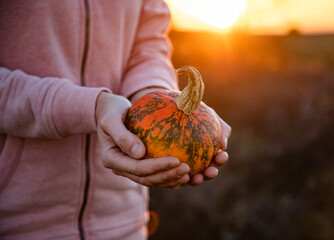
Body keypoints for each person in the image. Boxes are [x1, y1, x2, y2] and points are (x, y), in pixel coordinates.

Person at [0, 0, 231, 239]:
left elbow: (148, 45)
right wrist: (90, 107)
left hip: (124, 221)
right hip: (16, 221)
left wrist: (153, 98)